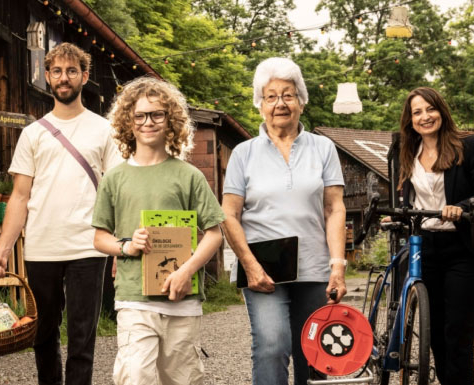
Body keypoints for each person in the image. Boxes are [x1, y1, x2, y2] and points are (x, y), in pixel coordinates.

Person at [0, 42, 123, 385]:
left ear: (84, 77)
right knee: (43, 335)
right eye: (57, 71)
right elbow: (19, 197)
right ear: (47, 77)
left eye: (72, 71)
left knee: (82, 339)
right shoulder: (32, 134)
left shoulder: (103, 130)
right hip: (42, 246)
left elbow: (117, 190)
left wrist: (121, 244)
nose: (64, 78)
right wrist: (2, 251)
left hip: (88, 246)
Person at [221, 57, 348, 385]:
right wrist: (249, 265)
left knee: (314, 353)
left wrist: (337, 267)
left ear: (301, 103)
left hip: (314, 267)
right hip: (263, 268)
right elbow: (229, 215)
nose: (280, 103)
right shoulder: (243, 153)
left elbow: (334, 209)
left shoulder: (323, 148)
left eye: (288, 95)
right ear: (260, 105)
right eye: (271, 96)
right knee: (272, 345)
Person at [91, 76, 225, 385]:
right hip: (134, 298)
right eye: (140, 115)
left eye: (157, 114)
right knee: (135, 376)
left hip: (182, 299)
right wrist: (127, 246)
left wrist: (185, 271)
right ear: (129, 121)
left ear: (170, 120)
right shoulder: (114, 178)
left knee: (180, 380)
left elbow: (215, 233)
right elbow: (100, 238)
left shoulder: (189, 176)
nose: (147, 122)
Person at [394, 87, 474, 385]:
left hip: (462, 247)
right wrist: (399, 212)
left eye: (430, 109)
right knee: (435, 332)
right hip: (424, 248)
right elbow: (406, 196)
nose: (425, 117)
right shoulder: (406, 151)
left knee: (458, 333)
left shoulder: (469, 144)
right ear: (410, 119)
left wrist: (461, 207)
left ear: (441, 110)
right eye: (417, 112)